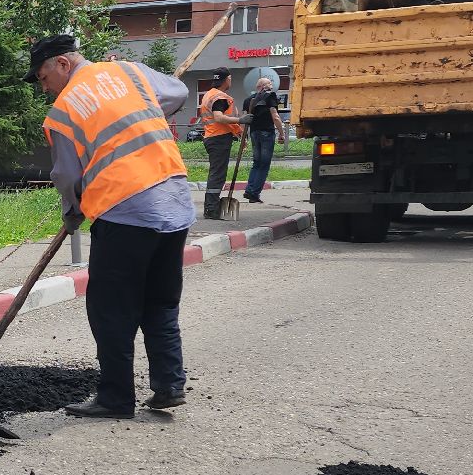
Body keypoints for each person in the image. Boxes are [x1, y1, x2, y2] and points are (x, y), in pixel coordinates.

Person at [27, 33, 195, 417]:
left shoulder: (64, 110)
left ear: (64, 64)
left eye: (42, 77)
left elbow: (68, 176)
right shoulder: (128, 72)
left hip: (126, 211)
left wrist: (71, 213)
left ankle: (116, 398)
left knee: (110, 308)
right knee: (160, 301)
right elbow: (178, 93)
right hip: (174, 203)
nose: (44, 88)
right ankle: (169, 384)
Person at [197, 69, 244, 219]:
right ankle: (211, 209)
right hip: (219, 138)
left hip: (212, 136)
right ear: (228, 79)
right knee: (217, 175)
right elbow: (219, 117)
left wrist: (239, 132)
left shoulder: (209, 94)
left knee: (216, 173)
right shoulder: (220, 97)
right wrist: (241, 120)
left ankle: (211, 206)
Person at [238, 75, 288, 204]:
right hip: (266, 132)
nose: (272, 86)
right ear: (263, 86)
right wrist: (282, 133)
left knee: (257, 163)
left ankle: (249, 190)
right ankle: (254, 193)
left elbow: (244, 120)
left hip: (254, 133)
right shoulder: (270, 96)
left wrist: (243, 138)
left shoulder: (248, 100)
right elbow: (275, 116)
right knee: (264, 164)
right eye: (270, 84)